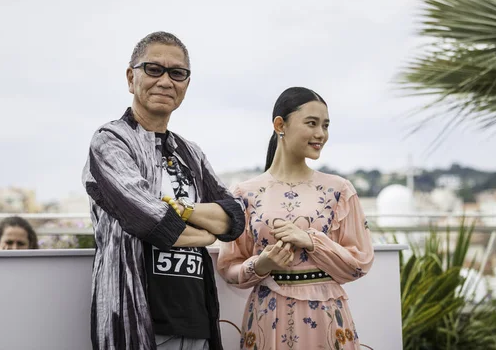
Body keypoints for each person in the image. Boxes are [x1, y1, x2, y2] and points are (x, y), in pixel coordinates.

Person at [82, 31, 245, 350]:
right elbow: (148, 218)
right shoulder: (111, 141)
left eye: (177, 73)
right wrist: (206, 234)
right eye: (154, 69)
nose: (166, 80)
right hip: (136, 318)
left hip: (195, 317)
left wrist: (183, 211)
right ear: (131, 78)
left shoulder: (190, 152)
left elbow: (235, 218)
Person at [217, 87, 375, 349]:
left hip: (327, 318)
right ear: (280, 124)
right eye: (311, 123)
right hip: (268, 315)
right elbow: (228, 267)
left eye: (325, 125)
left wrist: (312, 241)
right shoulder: (245, 193)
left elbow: (360, 262)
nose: (321, 134)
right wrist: (262, 264)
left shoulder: (340, 190)